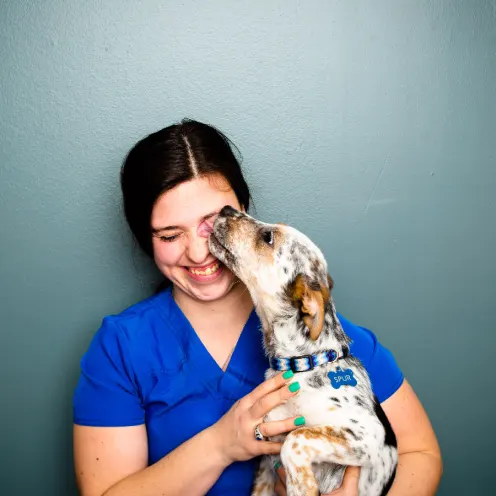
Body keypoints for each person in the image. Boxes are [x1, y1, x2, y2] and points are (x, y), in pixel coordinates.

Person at [73, 119, 442, 496]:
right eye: (170, 234)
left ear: (243, 214)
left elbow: (421, 452)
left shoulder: (331, 349)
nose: (200, 252)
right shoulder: (121, 348)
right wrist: (221, 444)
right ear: (145, 238)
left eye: (213, 221)